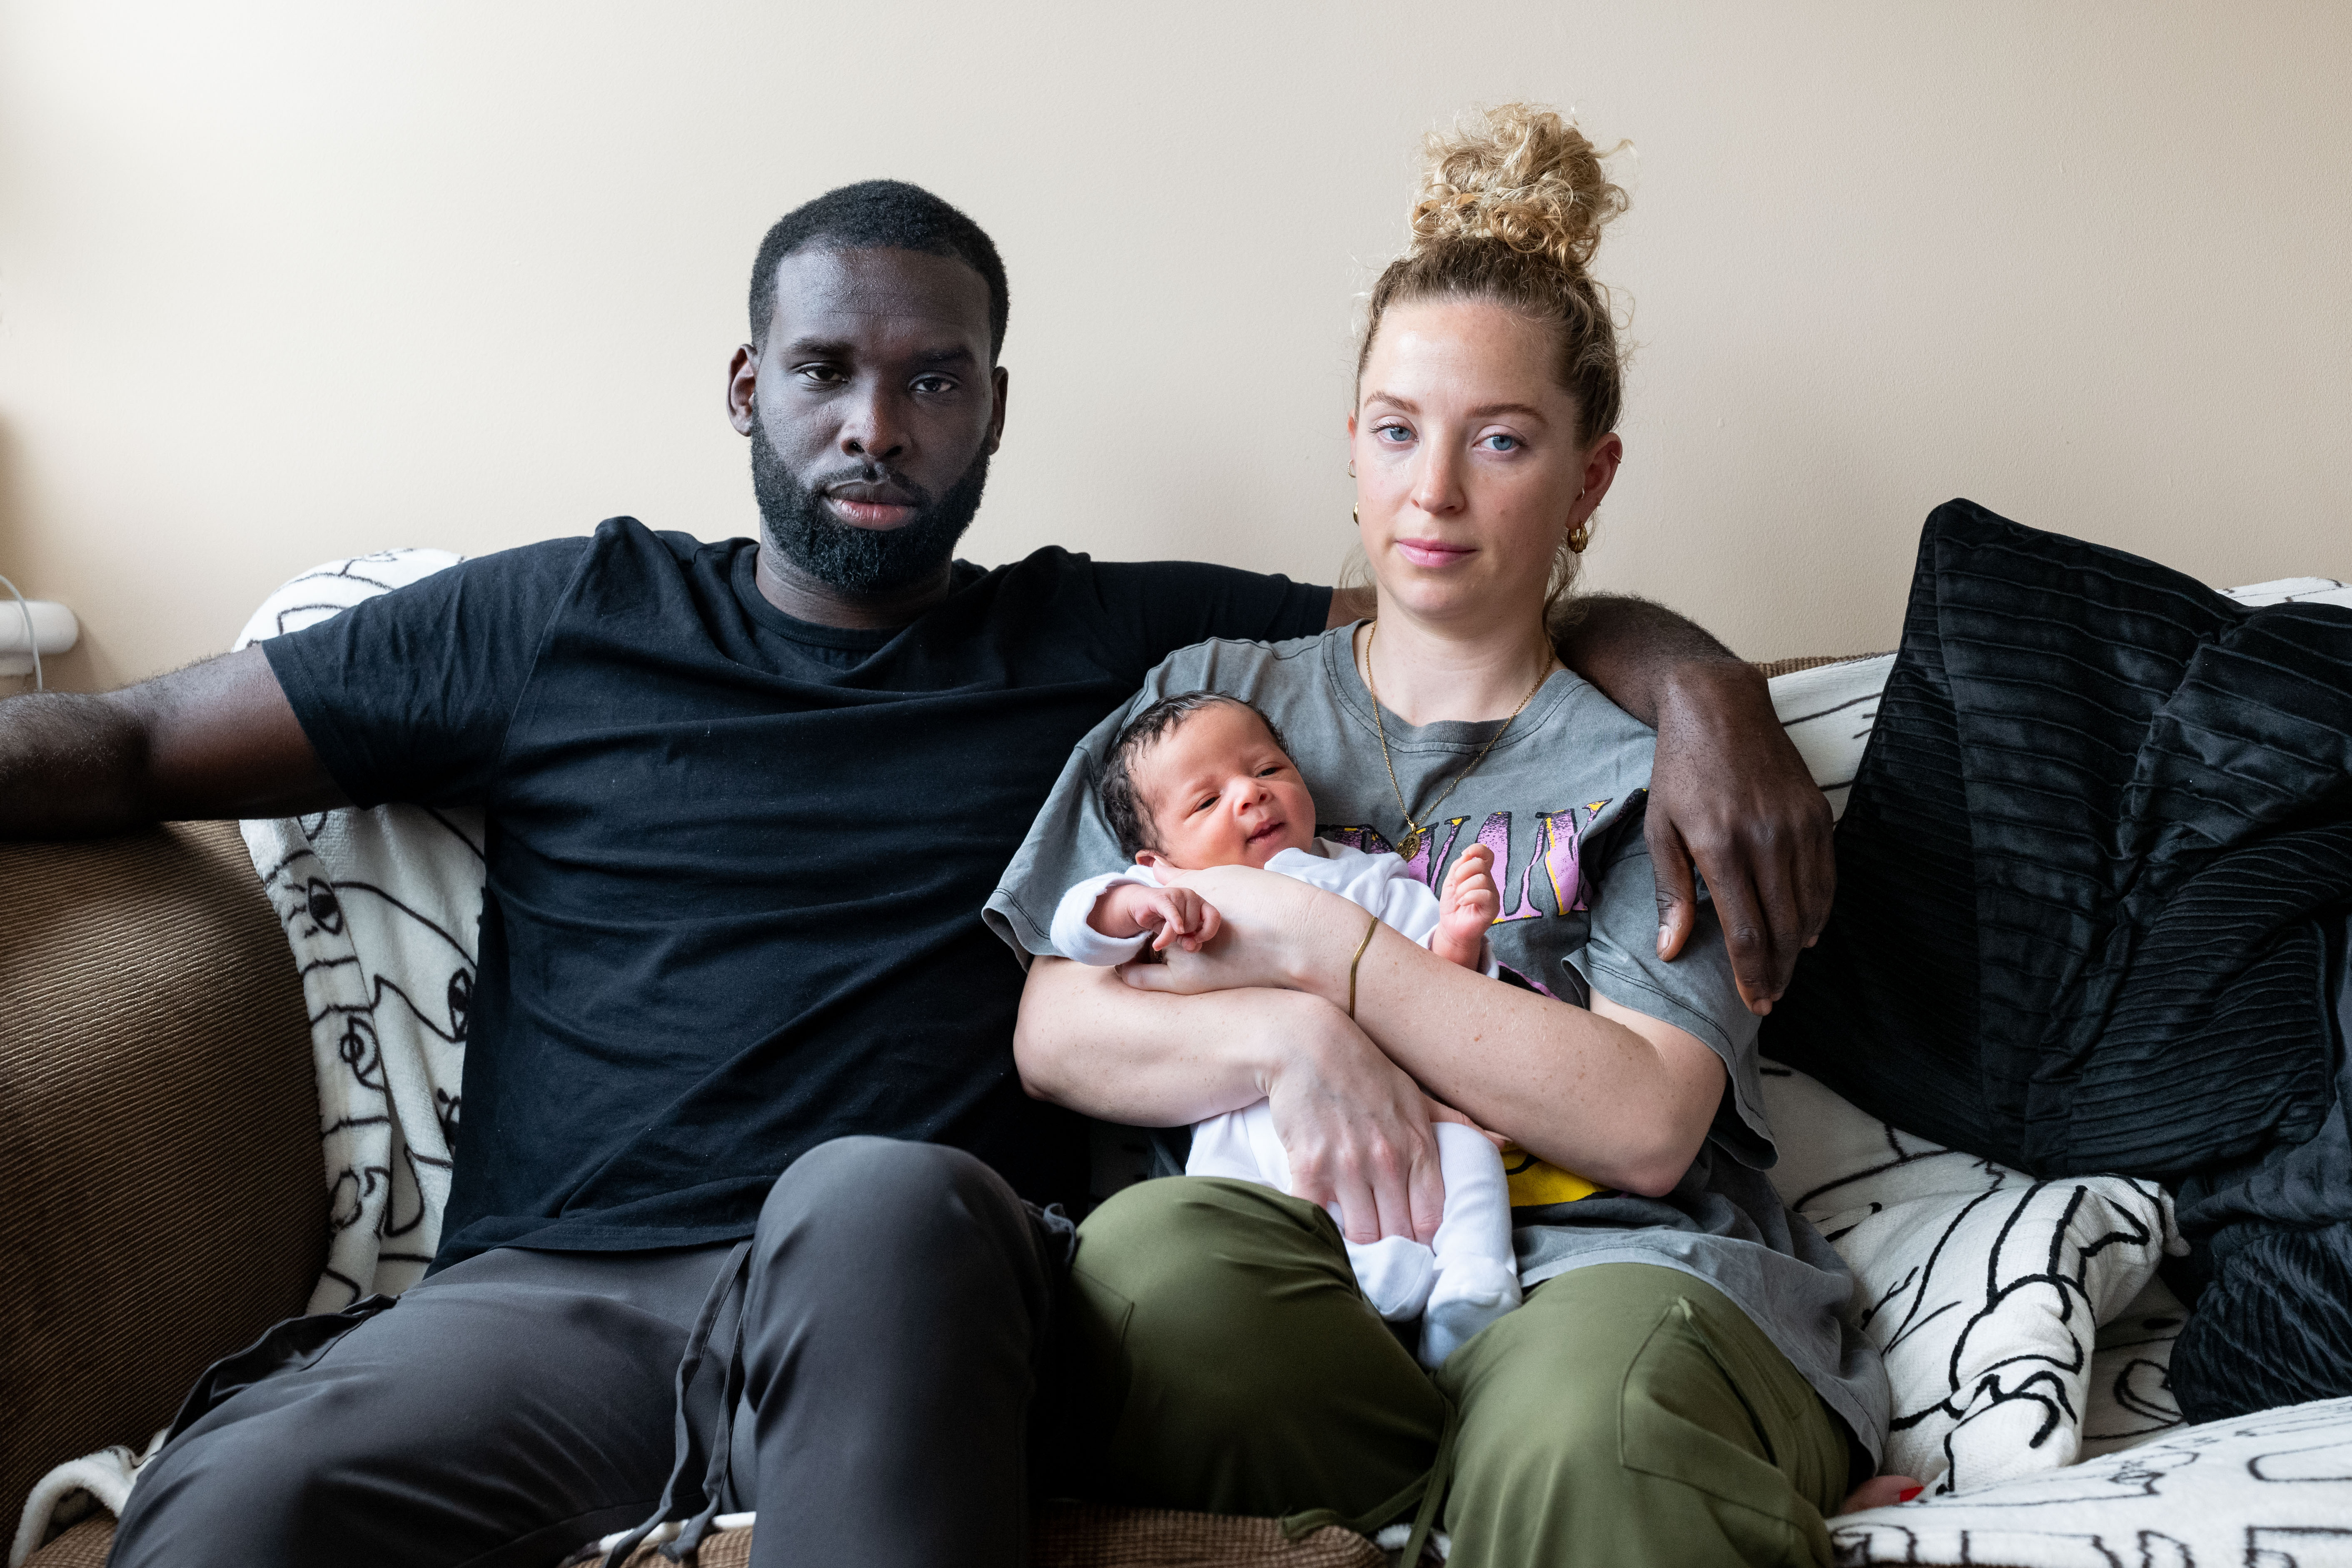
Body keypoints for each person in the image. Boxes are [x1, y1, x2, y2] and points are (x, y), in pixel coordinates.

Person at [0, 173, 1836, 1566]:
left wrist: (1695, 690)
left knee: (877, 1189)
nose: (875, 424)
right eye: (826, 371)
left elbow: (1460, 593)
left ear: (991, 407)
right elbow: (141, 737)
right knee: (239, 1501)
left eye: (930, 378)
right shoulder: (563, 615)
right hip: (552, 1298)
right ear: (746, 385)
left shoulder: (1119, 655)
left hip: (906, 1279)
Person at [995, 106, 1907, 1567]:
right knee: (1151, 1281)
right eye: (1394, 431)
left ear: (1586, 479)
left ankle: (1558, 1470)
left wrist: (1321, 944)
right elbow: (1056, 1023)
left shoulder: (1645, 766)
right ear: (1348, 447)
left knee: (1574, 1429)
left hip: (1607, 1269)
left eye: (1497, 440)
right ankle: (1460, 1479)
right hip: (1303, 1269)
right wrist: (1301, 1043)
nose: (1431, 492)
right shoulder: (1211, 703)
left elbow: (1641, 1119)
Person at [1049, 690, 1523, 1366]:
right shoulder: (1180, 899)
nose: (1250, 794)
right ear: (1158, 859)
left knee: (1472, 1153)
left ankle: (1472, 1286)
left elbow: (1442, 1002)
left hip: (1398, 1115)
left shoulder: (1368, 879)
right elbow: (1077, 930)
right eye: (1207, 801)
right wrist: (1134, 904)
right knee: (1230, 1218)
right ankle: (1351, 1295)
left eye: (1268, 770)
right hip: (1250, 1138)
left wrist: (1455, 936)